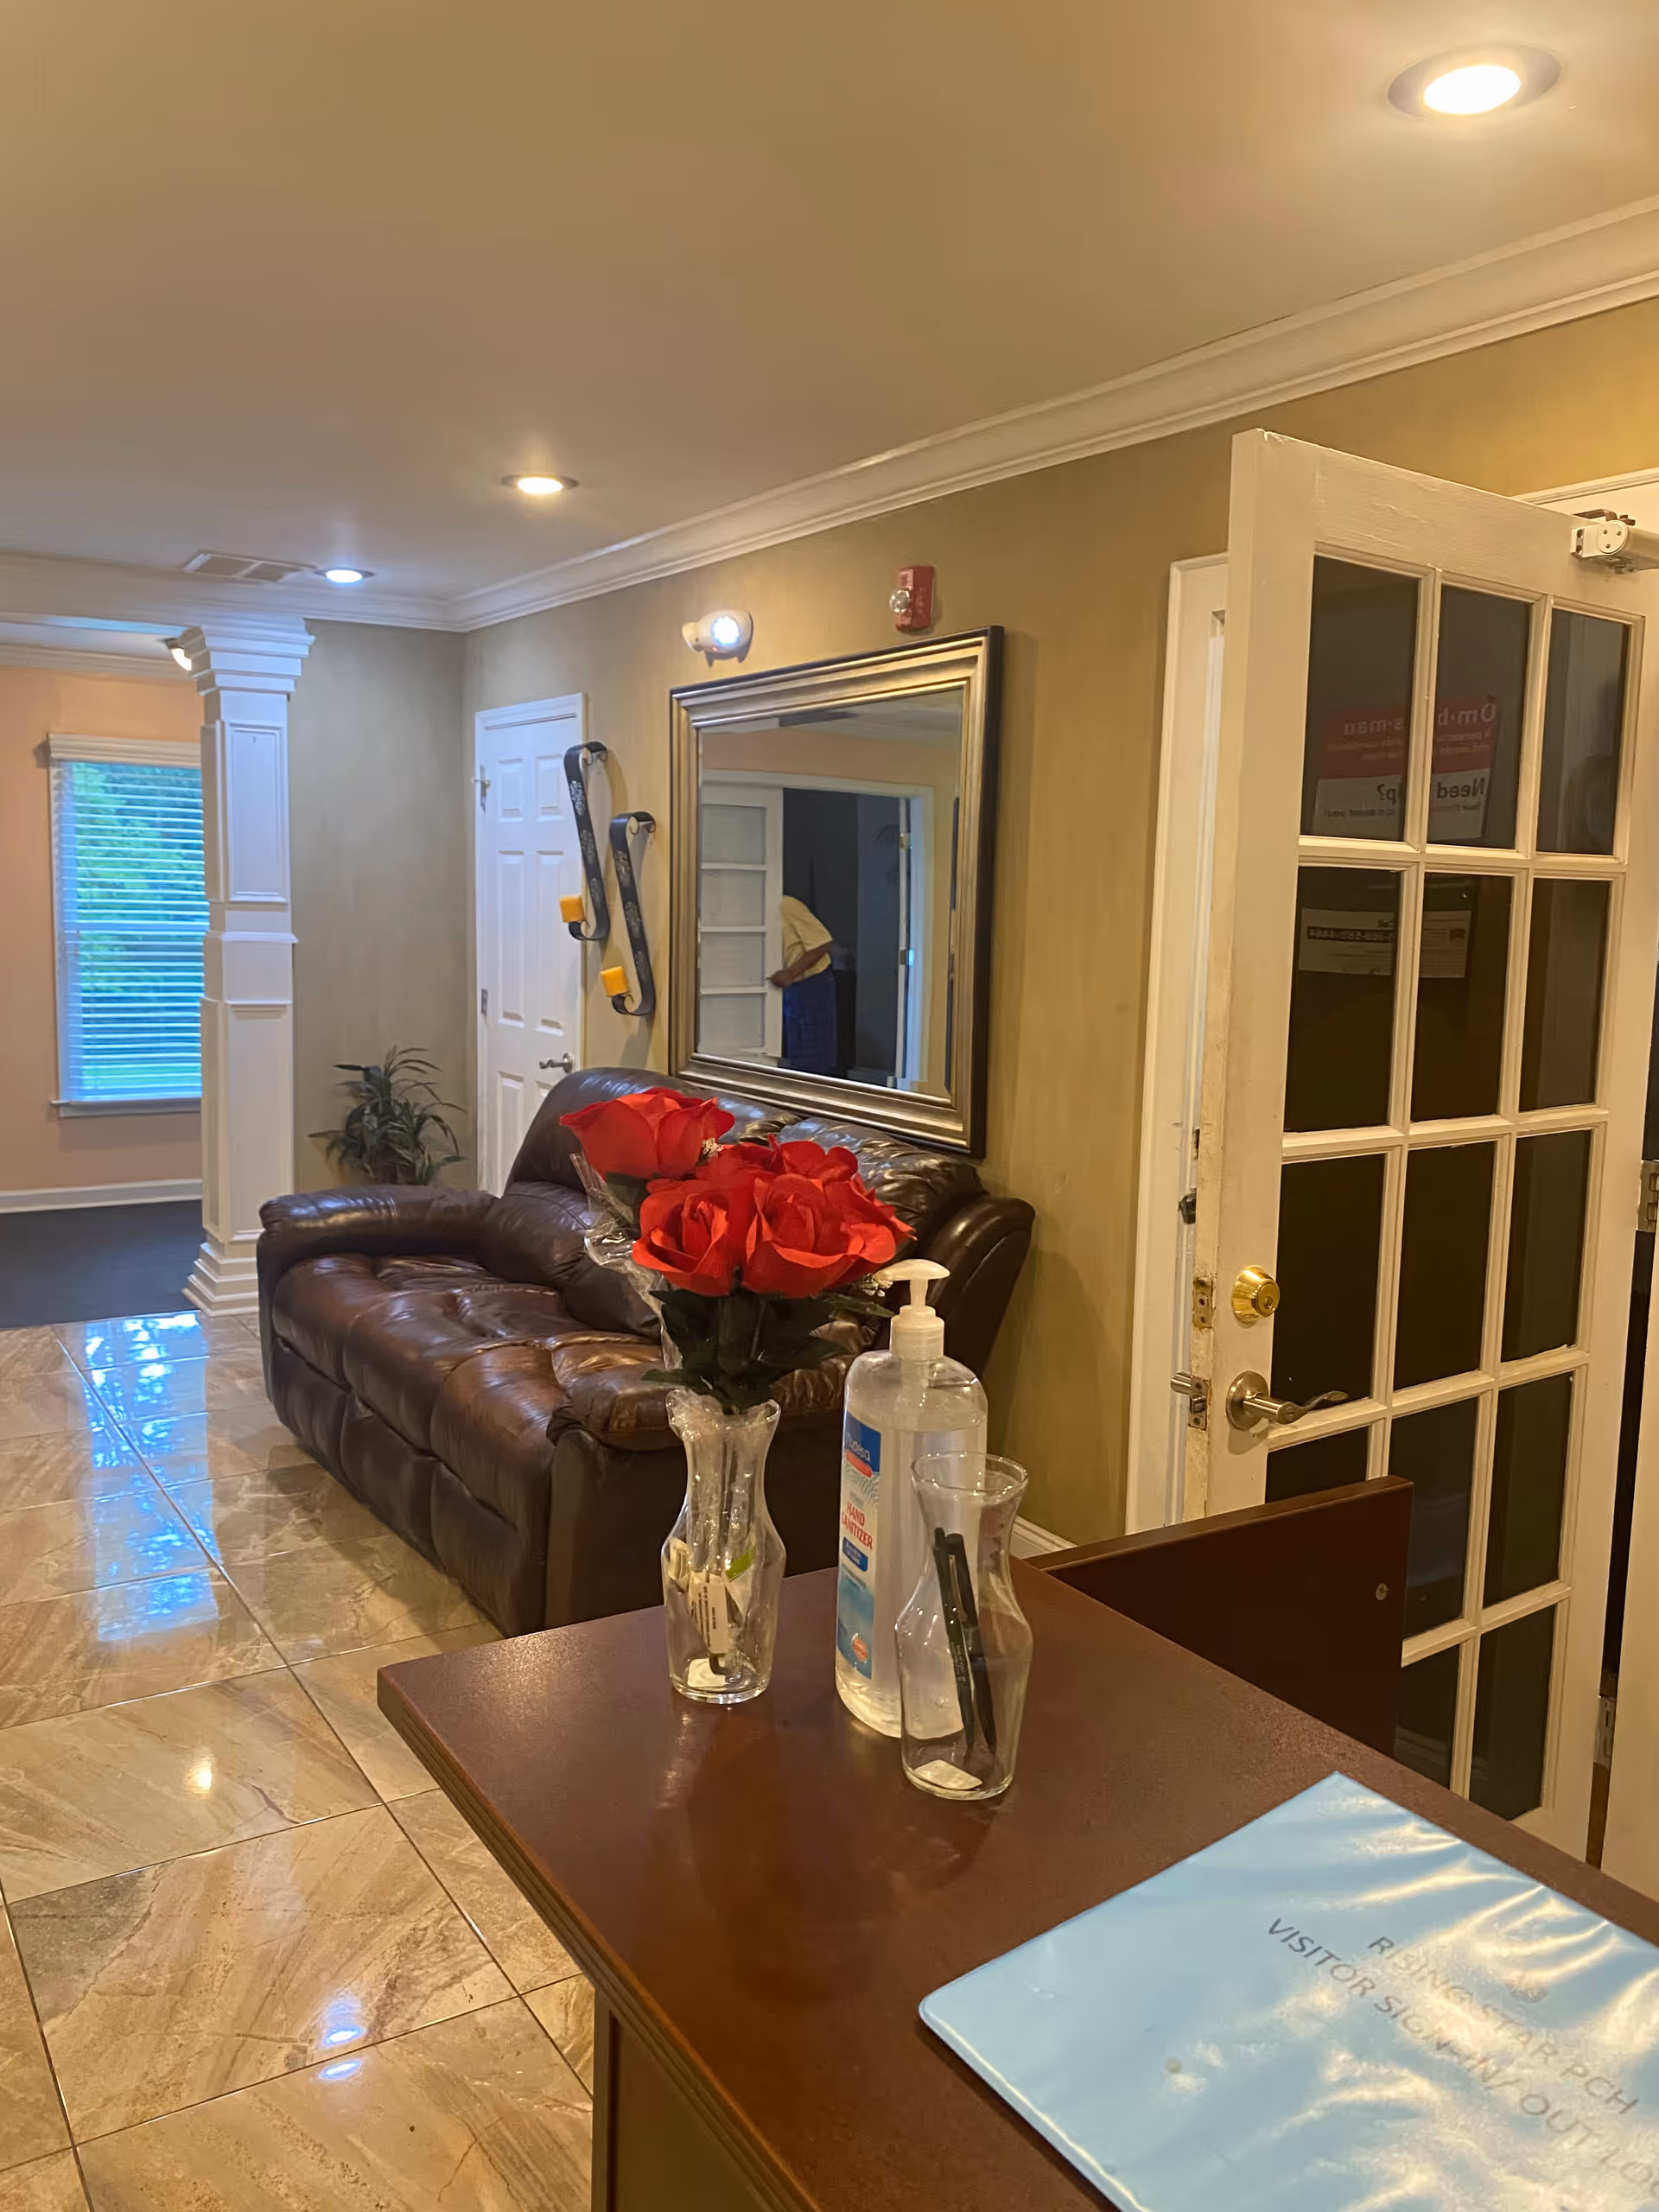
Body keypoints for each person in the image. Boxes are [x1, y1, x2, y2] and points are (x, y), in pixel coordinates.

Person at [771, 894, 837, 1074]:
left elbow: (822, 943)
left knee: (813, 1053)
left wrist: (790, 974)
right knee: (796, 1051)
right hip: (790, 987)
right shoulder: (758, 912)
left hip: (812, 982)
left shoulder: (786, 905)